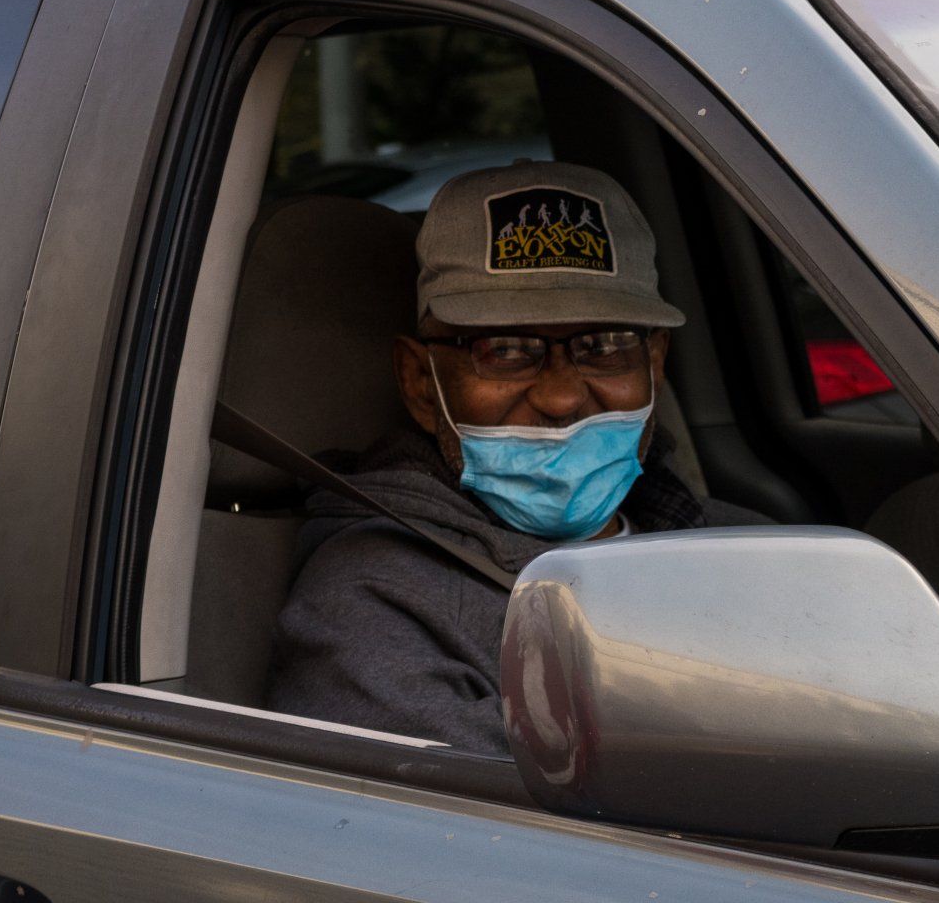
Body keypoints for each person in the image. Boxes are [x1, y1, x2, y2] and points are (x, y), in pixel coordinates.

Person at [268, 161, 764, 753]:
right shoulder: (377, 601)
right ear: (421, 384)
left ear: (654, 365)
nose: (561, 397)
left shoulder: (750, 549)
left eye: (604, 346)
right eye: (504, 350)